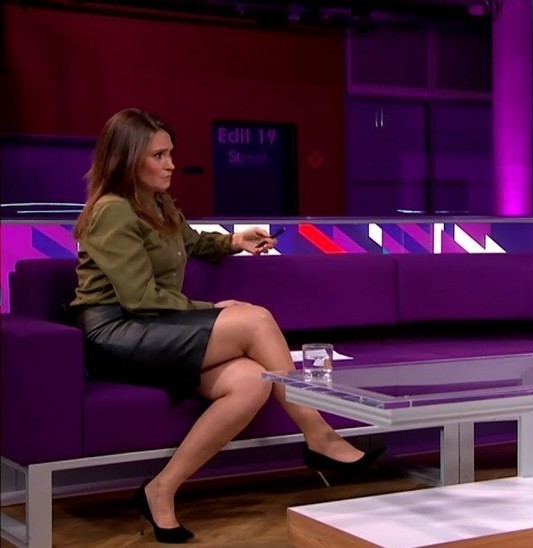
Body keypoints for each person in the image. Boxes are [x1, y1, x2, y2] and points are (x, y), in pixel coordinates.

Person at [70, 108, 383, 544]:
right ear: (127, 159)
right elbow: (139, 297)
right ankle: (319, 435)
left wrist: (236, 241)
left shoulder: (157, 202)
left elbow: (190, 243)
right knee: (256, 320)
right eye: (159, 156)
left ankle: (160, 489)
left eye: (171, 154)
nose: (171, 165)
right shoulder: (112, 211)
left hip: (155, 328)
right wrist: (209, 308)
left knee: (252, 381)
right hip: (116, 333)